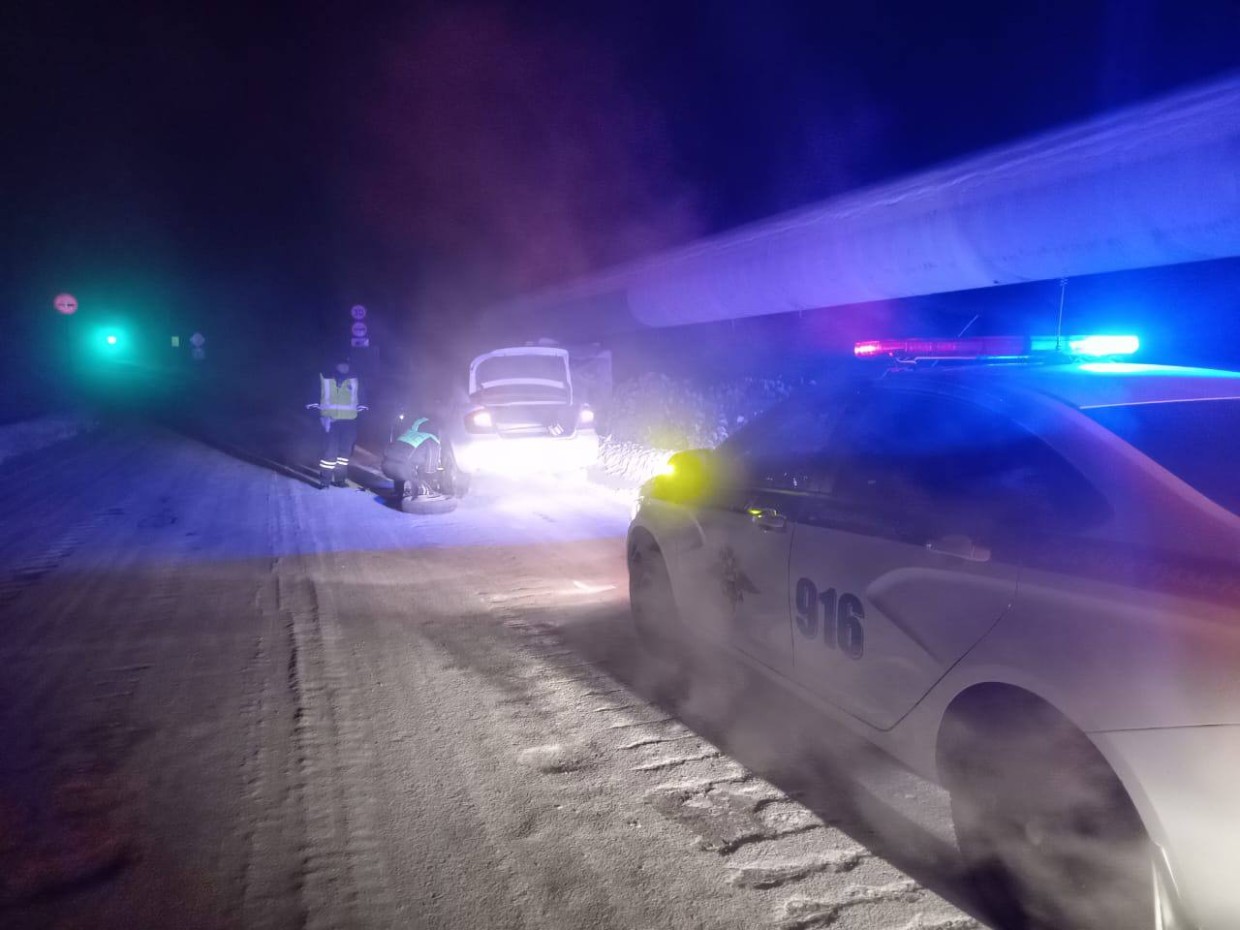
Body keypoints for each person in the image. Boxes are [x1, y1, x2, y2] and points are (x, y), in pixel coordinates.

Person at [307, 357, 367, 487]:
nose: (344, 367)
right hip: (330, 421)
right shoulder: (323, 377)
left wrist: (361, 416)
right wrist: (319, 415)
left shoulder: (355, 379)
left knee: (344, 453)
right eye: (341, 365)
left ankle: (340, 480)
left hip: (349, 422)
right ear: (335, 365)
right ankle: (325, 481)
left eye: (346, 365)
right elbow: (313, 397)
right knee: (329, 452)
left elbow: (362, 399)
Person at [381, 414, 443, 503]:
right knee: (421, 476)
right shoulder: (432, 440)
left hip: (385, 467)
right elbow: (430, 469)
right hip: (402, 470)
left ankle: (399, 491)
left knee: (404, 462)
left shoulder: (408, 433)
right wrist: (433, 483)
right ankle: (418, 494)